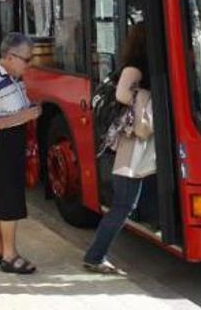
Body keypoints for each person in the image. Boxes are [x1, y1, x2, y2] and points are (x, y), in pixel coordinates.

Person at [83, 23, 155, 275]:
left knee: (127, 203)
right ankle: (95, 256)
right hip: (130, 145)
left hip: (140, 145)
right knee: (124, 205)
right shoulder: (134, 68)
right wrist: (145, 95)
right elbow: (124, 95)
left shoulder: (144, 66)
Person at [0, 32, 42, 275]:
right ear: (10, 57)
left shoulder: (12, 77)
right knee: (8, 202)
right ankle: (10, 256)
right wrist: (23, 116)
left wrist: (28, 110)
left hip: (7, 144)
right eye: (26, 59)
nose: (29, 63)